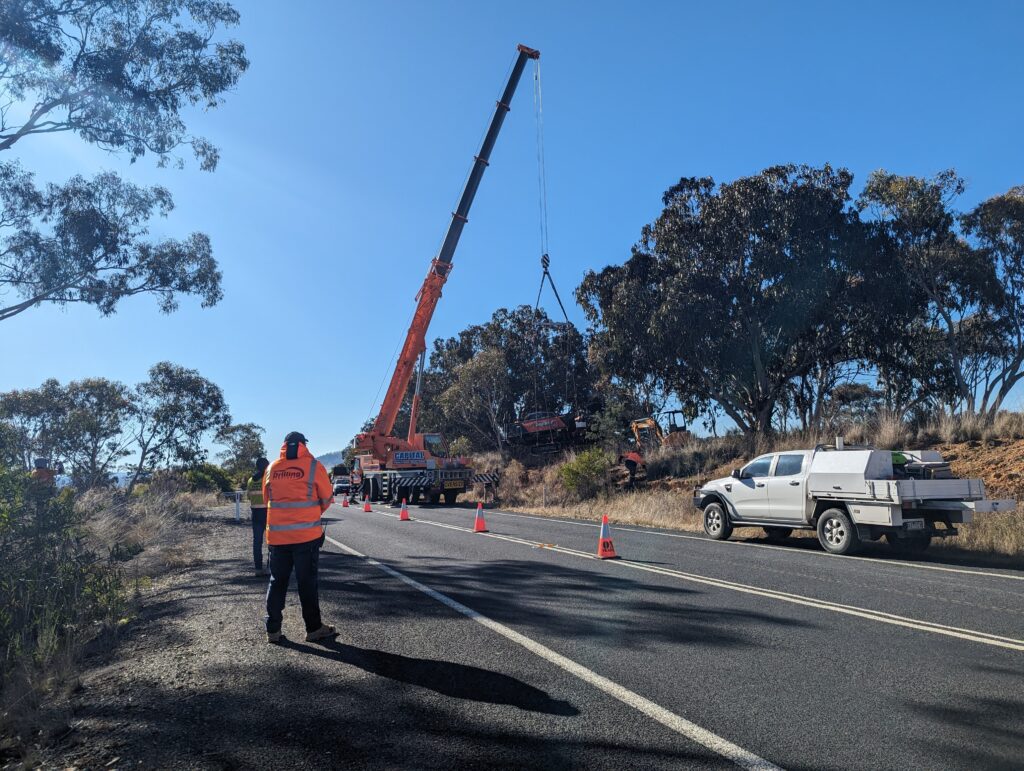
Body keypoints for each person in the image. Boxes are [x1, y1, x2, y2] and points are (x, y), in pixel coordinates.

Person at [263, 431, 336, 644]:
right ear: (304, 444)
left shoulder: (272, 468)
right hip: (306, 537)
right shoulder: (314, 466)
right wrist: (310, 514)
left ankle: (273, 631)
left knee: (277, 582)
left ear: (284, 445)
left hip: (277, 538)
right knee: (307, 583)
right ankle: (313, 629)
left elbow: (268, 498)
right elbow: (327, 498)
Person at [246, 457, 270, 576]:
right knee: (272, 541)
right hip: (268, 513)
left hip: (255, 514)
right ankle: (271, 567)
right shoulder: (268, 479)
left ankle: (258, 569)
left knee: (257, 542)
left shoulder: (251, 480)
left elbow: (249, 496)